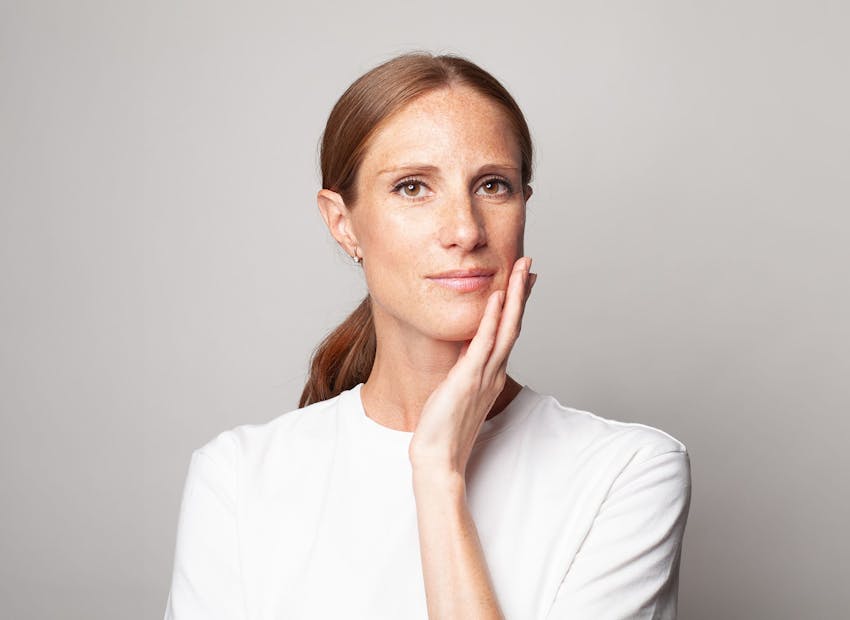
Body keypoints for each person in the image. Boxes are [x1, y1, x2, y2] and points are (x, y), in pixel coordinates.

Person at [163, 51, 692, 620]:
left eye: (493, 185)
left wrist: (438, 472)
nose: (465, 230)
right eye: (413, 188)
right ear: (342, 224)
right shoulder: (238, 477)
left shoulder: (628, 472)